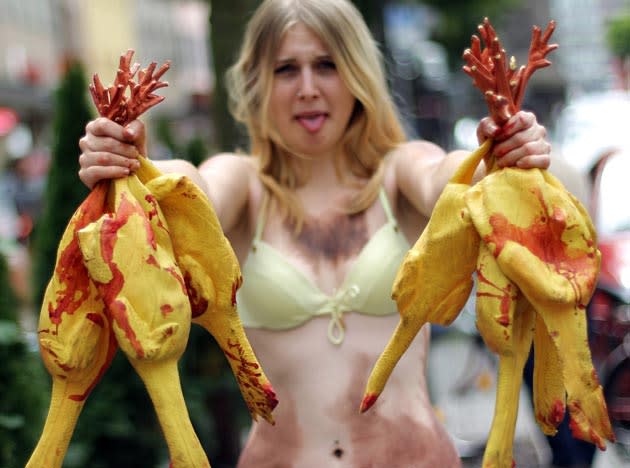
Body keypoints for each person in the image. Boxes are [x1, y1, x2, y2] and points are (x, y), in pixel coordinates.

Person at [78, 0, 552, 466]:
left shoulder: (399, 176)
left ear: (357, 74)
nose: (307, 88)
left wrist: (501, 157)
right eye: (286, 69)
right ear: (259, 83)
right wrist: (135, 163)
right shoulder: (243, 187)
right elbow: (186, 188)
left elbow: (449, 179)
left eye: (326, 65)